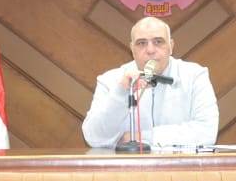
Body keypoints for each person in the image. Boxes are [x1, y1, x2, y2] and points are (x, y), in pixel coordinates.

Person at [82, 16, 218, 148]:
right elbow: (93, 137)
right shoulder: (110, 80)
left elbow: (207, 133)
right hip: (128, 164)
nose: (150, 50)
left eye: (158, 42)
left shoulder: (194, 76)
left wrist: (142, 137)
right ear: (132, 49)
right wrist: (120, 93)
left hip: (179, 163)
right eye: (141, 43)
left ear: (171, 46)